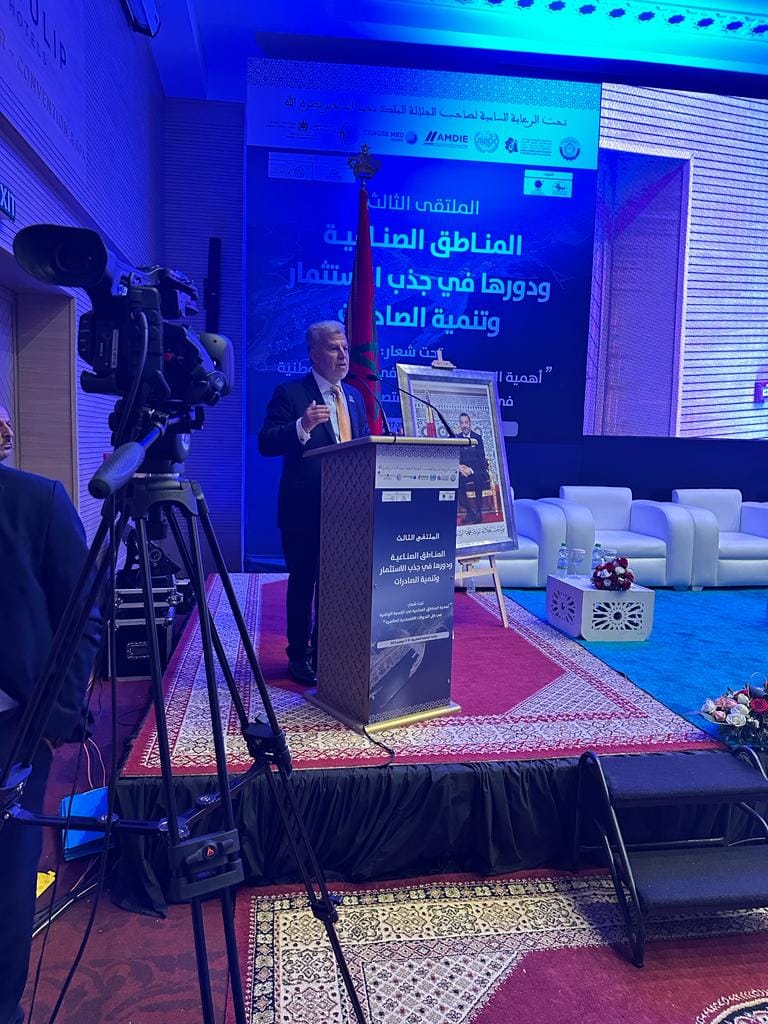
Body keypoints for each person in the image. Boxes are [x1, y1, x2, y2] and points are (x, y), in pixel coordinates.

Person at [0, 461, 102, 1024]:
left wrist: (51, 725)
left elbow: (82, 616)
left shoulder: (36, 502)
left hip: (14, 730)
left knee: (7, 878)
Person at [258, 321, 369, 685]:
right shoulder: (291, 393)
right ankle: (298, 655)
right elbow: (266, 442)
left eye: (346, 348)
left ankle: (325, 653)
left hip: (348, 511)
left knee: (337, 586)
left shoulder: (354, 396)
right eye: (335, 349)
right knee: (304, 583)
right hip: (305, 510)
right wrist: (301, 426)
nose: (343, 355)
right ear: (315, 354)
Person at [457, 412, 490, 525]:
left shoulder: (477, 438)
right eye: (462, 423)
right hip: (464, 472)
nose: (464, 425)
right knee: (457, 480)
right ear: (460, 425)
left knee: (478, 478)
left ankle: (479, 512)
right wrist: (461, 468)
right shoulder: (457, 438)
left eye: (466, 422)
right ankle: (469, 511)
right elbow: (457, 458)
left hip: (477, 470)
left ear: (470, 423)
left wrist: (471, 470)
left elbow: (481, 459)